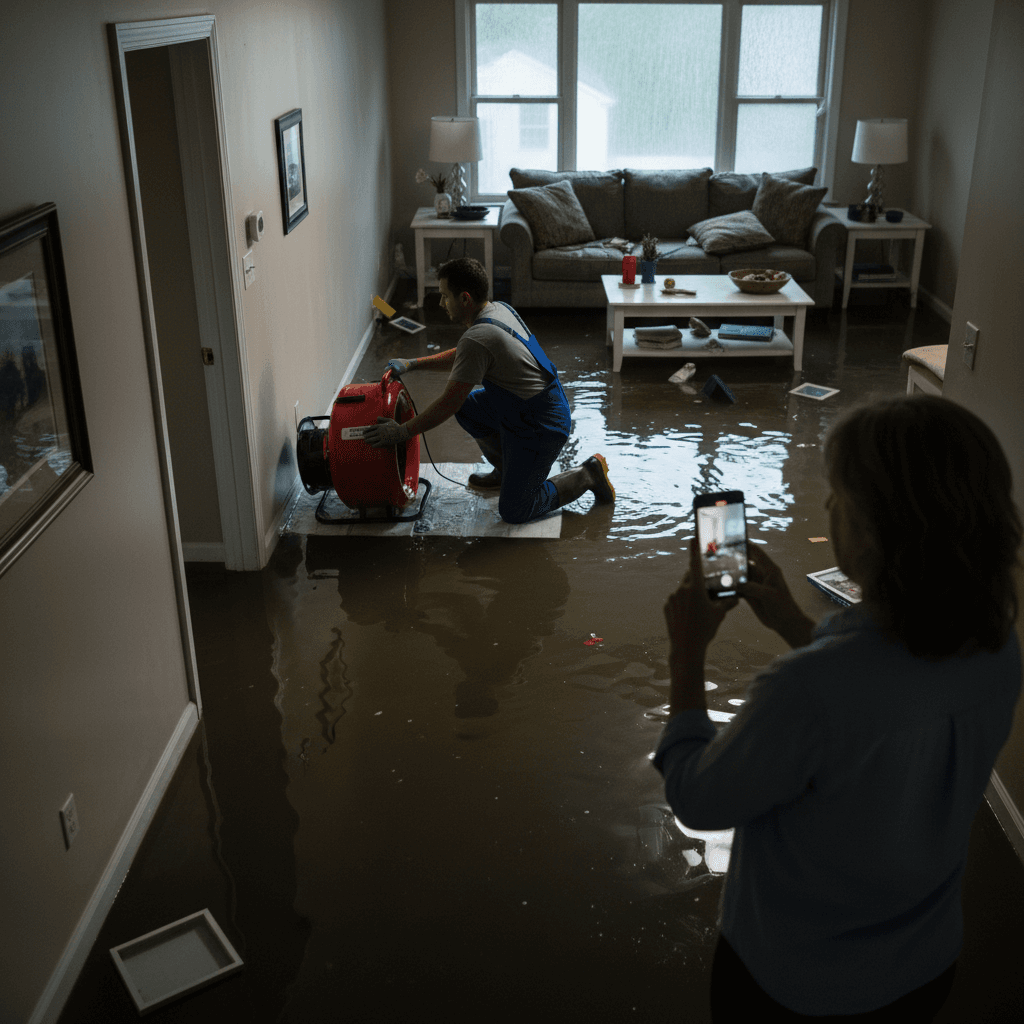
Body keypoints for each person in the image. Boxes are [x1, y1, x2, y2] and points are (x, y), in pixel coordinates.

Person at [656, 394, 1022, 1021]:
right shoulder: (997, 650)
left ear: (879, 532)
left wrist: (686, 657)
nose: (826, 505)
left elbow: (697, 797)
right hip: (923, 963)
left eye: (839, 495)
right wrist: (797, 623)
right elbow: (884, 701)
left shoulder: (805, 690)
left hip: (797, 984)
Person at [362, 257, 614, 524]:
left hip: (542, 424)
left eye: (445, 296)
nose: (440, 303)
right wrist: (414, 364)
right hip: (535, 403)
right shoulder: (497, 310)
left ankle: (588, 473)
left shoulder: (477, 338)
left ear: (465, 299)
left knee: (515, 510)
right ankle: (508, 471)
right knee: (469, 408)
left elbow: (448, 403)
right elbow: (466, 355)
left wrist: (402, 431)